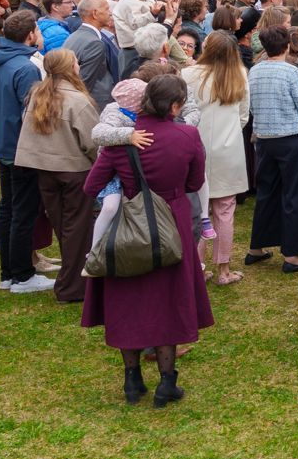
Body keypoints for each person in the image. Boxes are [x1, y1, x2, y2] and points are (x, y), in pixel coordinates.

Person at [82, 74, 213, 407]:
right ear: (173, 105)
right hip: (173, 219)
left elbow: (91, 186)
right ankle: (167, 382)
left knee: (129, 299)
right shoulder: (187, 135)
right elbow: (195, 181)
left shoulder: (123, 141)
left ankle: (132, 380)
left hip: (129, 224)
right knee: (168, 298)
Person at [14, 50, 100, 305]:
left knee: (64, 225)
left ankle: (73, 278)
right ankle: (72, 286)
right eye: (76, 61)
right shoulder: (77, 100)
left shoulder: (37, 94)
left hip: (44, 168)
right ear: (71, 67)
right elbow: (92, 141)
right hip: (73, 170)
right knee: (76, 228)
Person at [0, 10, 51, 295]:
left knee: (9, 209)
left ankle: (9, 272)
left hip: (4, 143)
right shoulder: (26, 68)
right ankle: (22, 275)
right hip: (21, 147)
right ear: (29, 35)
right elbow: (33, 113)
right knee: (22, 211)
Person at [181, 31, 250, 286]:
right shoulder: (238, 75)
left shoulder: (189, 75)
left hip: (196, 146)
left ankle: (199, 268)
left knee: (199, 209)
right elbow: (244, 116)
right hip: (226, 148)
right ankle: (223, 269)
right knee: (223, 210)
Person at [244, 27, 298, 271]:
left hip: (263, 138)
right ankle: (292, 254)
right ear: (285, 46)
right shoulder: (291, 72)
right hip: (289, 137)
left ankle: (257, 247)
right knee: (294, 194)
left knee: (267, 191)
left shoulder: (255, 71)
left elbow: (251, 105)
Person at [66, 0, 120, 108]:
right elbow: (84, 83)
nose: (110, 13)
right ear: (95, 14)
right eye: (106, 9)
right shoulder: (94, 43)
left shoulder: (74, 36)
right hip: (95, 106)